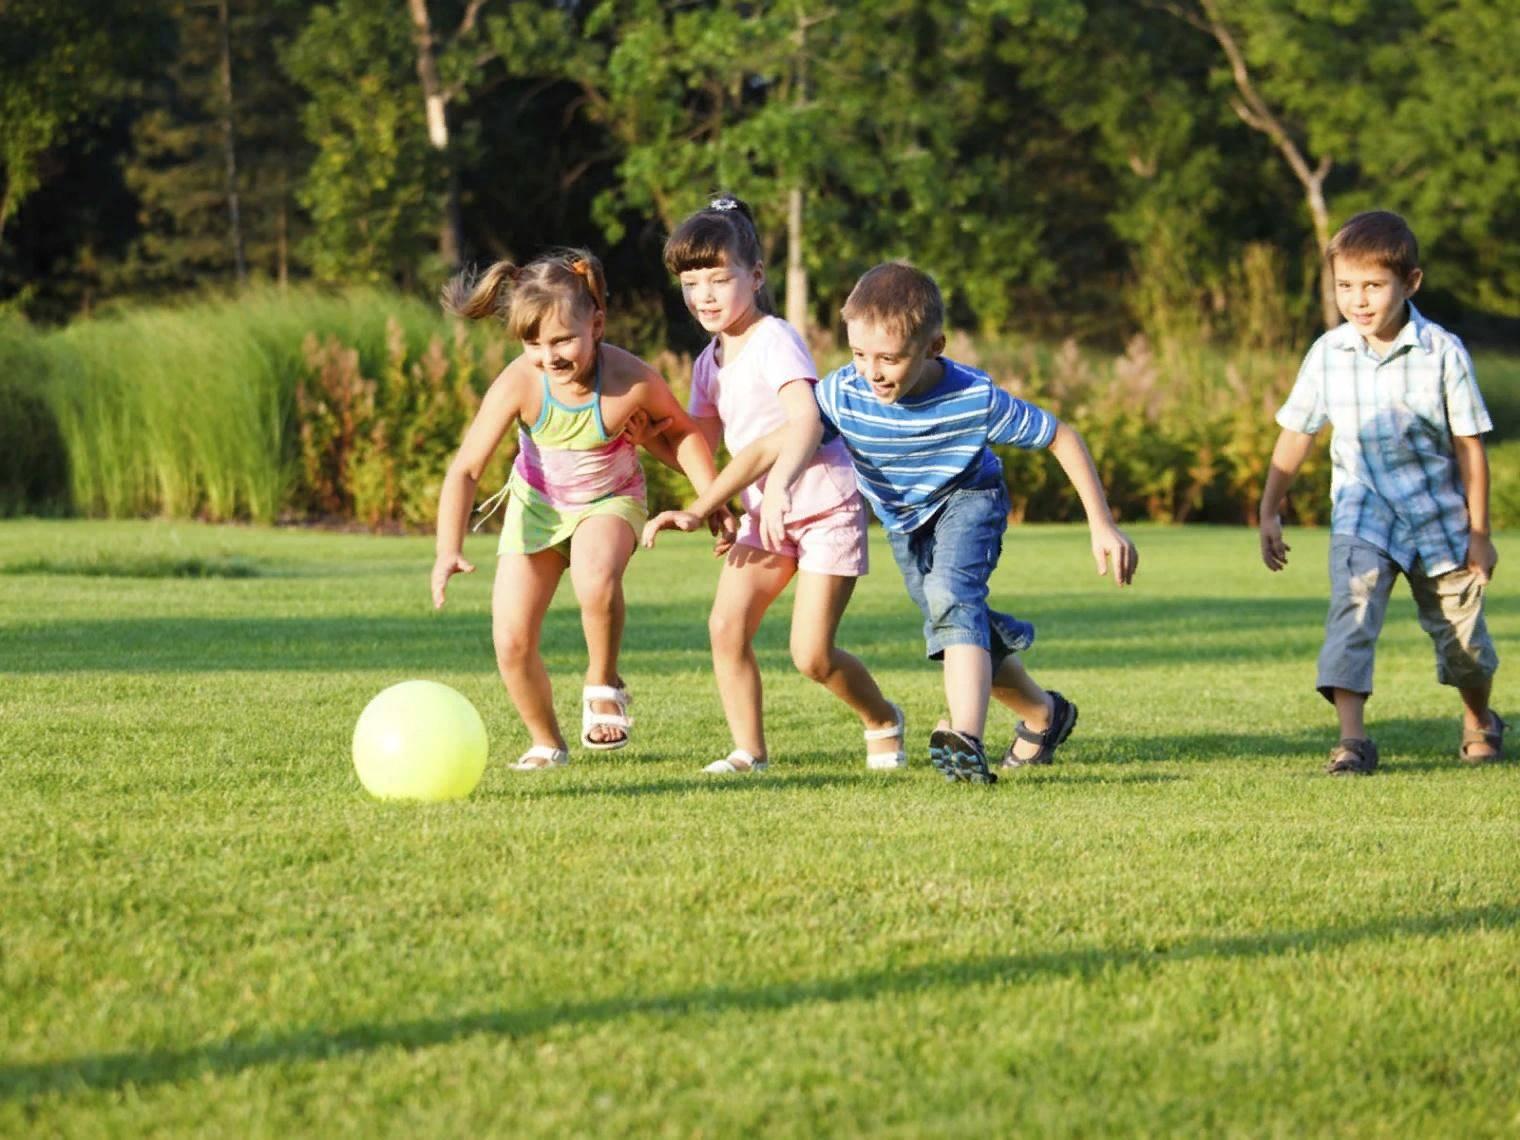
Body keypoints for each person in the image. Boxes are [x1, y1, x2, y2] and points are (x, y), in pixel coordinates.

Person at [645, 261, 1137, 784]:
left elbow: (1061, 436)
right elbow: (773, 443)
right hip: (906, 522)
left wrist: (1102, 524)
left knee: (952, 596)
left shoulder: (975, 398)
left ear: (934, 347)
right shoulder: (846, 391)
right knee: (956, 622)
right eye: (859, 354)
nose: (873, 372)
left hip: (969, 499)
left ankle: (965, 739)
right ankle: (1044, 713)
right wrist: (703, 506)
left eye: (889, 358)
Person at [644, 195, 904, 774]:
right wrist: (642, 439)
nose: (704, 295)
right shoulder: (709, 361)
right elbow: (699, 448)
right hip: (767, 512)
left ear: (755, 276)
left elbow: (806, 419)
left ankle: (882, 718)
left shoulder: (774, 339)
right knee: (725, 625)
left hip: (822, 504)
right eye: (691, 282)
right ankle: (748, 752)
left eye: (719, 278)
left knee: (811, 655)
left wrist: (780, 484)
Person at [432, 249, 720, 770]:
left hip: (610, 502)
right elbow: (466, 469)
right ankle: (546, 741)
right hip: (537, 509)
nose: (550, 356)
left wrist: (712, 500)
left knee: (594, 576)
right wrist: (447, 548)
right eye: (534, 343)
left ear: (598, 324)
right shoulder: (522, 381)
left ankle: (602, 679)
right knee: (511, 640)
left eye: (563, 339)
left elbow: (683, 437)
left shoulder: (629, 379)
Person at [1259, 210, 1502, 775]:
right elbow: (1297, 432)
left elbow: (1470, 448)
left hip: (1438, 520)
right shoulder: (1328, 353)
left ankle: (1479, 718)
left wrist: (1480, 533)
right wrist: (1270, 509)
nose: (1359, 300)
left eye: (1373, 285)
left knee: (1463, 646)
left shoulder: (1442, 352)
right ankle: (1353, 742)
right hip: (1362, 513)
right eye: (1346, 286)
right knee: (1353, 611)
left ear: (1410, 282)